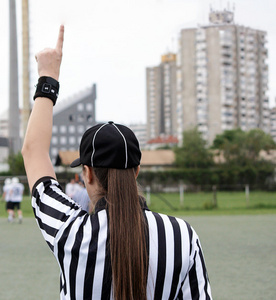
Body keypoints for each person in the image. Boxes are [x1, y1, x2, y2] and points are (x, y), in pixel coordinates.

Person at [21, 26, 211, 299]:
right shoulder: (181, 235)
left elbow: (33, 152)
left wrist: (48, 76)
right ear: (136, 172)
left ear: (86, 173)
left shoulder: (69, 231)